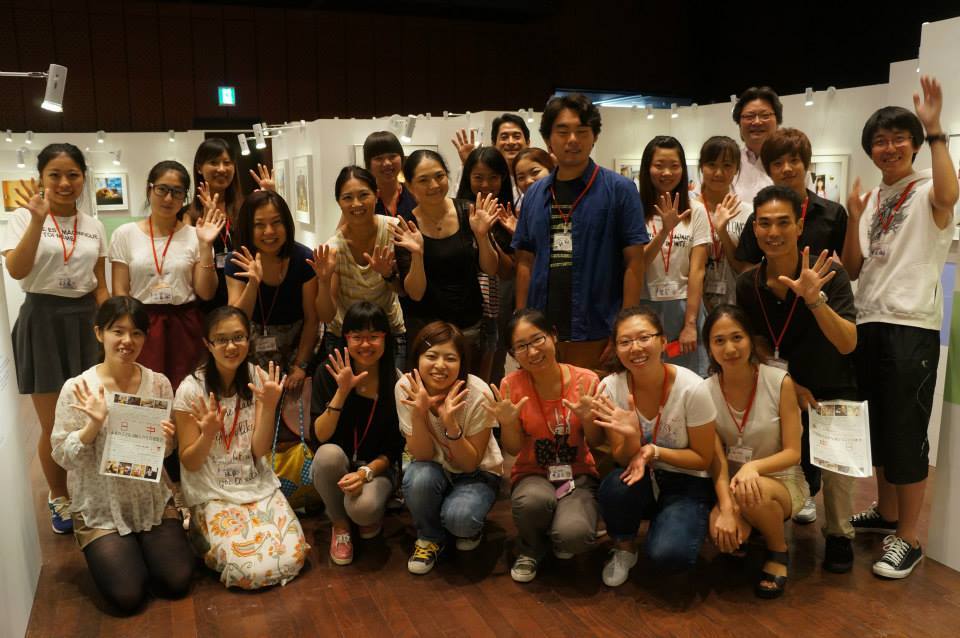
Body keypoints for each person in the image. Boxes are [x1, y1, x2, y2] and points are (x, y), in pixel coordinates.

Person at [842, 76, 958, 579]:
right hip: (867, 321)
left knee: (907, 432)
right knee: (878, 428)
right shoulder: (873, 198)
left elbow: (950, 195)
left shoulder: (930, 186)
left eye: (898, 139)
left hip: (910, 326)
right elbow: (852, 267)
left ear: (914, 143)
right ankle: (886, 513)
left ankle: (908, 537)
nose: (888, 148)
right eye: (879, 141)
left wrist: (935, 129)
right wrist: (853, 216)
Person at [735, 185, 860, 574]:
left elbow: (847, 343)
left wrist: (813, 299)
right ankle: (769, 513)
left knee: (837, 461)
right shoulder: (748, 284)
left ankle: (839, 534)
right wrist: (787, 384)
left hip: (830, 384)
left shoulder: (828, 273)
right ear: (754, 228)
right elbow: (755, 343)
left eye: (783, 223)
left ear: (800, 226)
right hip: (781, 387)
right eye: (764, 223)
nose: (773, 232)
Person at [51, 296, 193, 613]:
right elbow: (62, 455)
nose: (127, 340)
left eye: (136, 333)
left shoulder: (158, 384)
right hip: (101, 505)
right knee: (127, 596)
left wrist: (167, 441)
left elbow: (164, 451)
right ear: (99, 333)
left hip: (148, 500)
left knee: (177, 581)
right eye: (118, 331)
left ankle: (141, 547)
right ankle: (121, 547)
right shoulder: (78, 388)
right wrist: (92, 427)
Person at [2, 143, 109, 533]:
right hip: (42, 319)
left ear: (83, 178)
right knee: (53, 424)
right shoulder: (22, 217)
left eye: (73, 175)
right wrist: (37, 221)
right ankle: (59, 496)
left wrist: (113, 326)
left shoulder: (94, 225)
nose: (65, 183)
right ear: (41, 178)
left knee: (93, 414)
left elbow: (99, 285)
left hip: (86, 321)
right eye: (55, 175)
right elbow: (17, 270)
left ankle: (93, 489)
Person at [173, 306, 308, 588]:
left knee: (294, 556)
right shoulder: (190, 389)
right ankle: (198, 530)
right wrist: (208, 434)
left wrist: (269, 407)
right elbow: (189, 462)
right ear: (207, 344)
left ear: (249, 339)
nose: (231, 346)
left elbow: (259, 450)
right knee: (248, 571)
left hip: (255, 485)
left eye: (238, 337)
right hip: (212, 491)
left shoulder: (257, 377)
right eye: (221, 340)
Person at [513, 93, 647, 371]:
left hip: (598, 330)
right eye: (563, 132)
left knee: (593, 397)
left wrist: (626, 328)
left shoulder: (620, 190)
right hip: (541, 333)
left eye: (582, 131)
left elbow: (635, 261)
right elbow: (525, 261)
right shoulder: (535, 194)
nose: (572, 139)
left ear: (594, 137)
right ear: (548, 139)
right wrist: (521, 324)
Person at [592, 306, 717, 587]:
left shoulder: (693, 388)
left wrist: (654, 451)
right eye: (625, 341)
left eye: (644, 338)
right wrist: (632, 437)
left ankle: (682, 521)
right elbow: (622, 458)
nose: (635, 348)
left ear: (663, 341)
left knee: (669, 555)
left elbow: (703, 458)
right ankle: (624, 548)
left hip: (686, 480)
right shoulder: (610, 388)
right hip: (640, 476)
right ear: (616, 349)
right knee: (615, 487)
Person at [485, 308, 602, 583]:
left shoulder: (586, 381)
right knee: (532, 503)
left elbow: (597, 441)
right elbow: (513, 449)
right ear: (513, 354)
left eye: (538, 339)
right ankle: (530, 548)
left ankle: (559, 532)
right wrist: (508, 423)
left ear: (553, 336)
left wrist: (588, 419)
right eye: (521, 346)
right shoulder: (511, 385)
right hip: (533, 473)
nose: (533, 351)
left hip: (578, 476)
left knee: (574, 536)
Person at [702, 304, 806, 598]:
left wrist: (753, 467)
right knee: (721, 533)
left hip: (782, 480)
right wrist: (726, 507)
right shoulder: (705, 391)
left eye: (737, 337)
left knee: (754, 491)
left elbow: (793, 453)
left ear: (750, 339)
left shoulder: (779, 382)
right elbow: (717, 461)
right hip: (733, 485)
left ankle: (778, 551)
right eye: (719, 340)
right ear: (709, 348)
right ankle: (750, 525)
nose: (730, 348)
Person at [396, 321, 503, 574]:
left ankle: (462, 524)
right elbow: (422, 455)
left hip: (476, 474)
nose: (440, 365)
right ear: (417, 358)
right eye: (431, 356)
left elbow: (470, 464)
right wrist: (419, 414)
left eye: (450, 358)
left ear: (462, 363)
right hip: (433, 467)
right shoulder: (406, 388)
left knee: (461, 520)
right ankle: (430, 537)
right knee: (417, 477)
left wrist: (451, 425)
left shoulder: (478, 393)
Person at [110, 160, 223, 390]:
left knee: (186, 392)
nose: (169, 198)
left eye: (177, 192)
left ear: (184, 197)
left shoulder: (196, 235)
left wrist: (205, 247)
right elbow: (120, 291)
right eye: (162, 189)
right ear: (149, 189)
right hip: (142, 323)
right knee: (144, 391)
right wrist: (128, 330)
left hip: (185, 324)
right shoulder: (125, 234)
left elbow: (206, 292)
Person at [311, 302, 405, 565]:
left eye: (374, 336)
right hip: (338, 466)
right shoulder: (328, 373)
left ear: (386, 338)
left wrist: (365, 473)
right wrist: (342, 391)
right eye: (357, 337)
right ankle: (340, 525)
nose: (365, 344)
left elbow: (393, 450)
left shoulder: (396, 381)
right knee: (327, 455)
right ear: (346, 338)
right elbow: (320, 436)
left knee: (363, 511)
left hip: (377, 468)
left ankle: (361, 514)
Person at [391, 150, 499, 374]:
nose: (434, 185)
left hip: (470, 325)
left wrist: (482, 236)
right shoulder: (406, 225)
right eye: (423, 180)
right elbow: (415, 293)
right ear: (409, 186)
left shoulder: (468, 211)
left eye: (439, 176)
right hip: (428, 332)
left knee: (471, 389)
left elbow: (490, 268)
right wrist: (417, 254)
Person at [226, 190, 318, 398]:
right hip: (250, 350)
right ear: (248, 228)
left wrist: (300, 365)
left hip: (296, 347)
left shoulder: (304, 259)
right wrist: (252, 283)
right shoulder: (237, 260)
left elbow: (312, 320)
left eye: (276, 222)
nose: (269, 231)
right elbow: (235, 321)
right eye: (259, 225)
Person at [313, 166, 406, 371]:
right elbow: (327, 316)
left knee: (393, 390)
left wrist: (388, 275)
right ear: (339, 202)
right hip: (346, 338)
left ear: (376, 195)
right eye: (347, 198)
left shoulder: (394, 231)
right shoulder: (334, 248)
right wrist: (324, 281)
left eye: (364, 195)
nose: (356, 204)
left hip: (388, 332)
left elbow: (404, 292)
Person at [639, 136, 710, 376]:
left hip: (684, 306)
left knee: (688, 378)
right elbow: (636, 265)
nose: (667, 173)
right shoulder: (635, 208)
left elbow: (697, 270)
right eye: (659, 165)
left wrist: (690, 323)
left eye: (674, 166)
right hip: (645, 304)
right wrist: (664, 232)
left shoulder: (696, 210)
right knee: (648, 375)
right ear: (647, 167)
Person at [735, 128, 848, 269]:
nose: (787, 169)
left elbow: (850, 269)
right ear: (769, 171)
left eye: (794, 161)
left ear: (806, 165)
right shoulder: (760, 217)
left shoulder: (833, 213)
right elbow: (746, 266)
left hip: (819, 283)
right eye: (778, 163)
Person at [456, 146, 516, 382]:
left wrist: (487, 235)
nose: (486, 184)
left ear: (503, 178)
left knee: (490, 378)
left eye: (493, 177)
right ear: (468, 177)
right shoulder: (456, 212)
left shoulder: (508, 214)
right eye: (478, 177)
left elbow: (508, 271)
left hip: (494, 309)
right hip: (461, 309)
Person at [183, 138, 245, 313]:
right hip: (203, 302)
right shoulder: (187, 216)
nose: (222, 169)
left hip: (243, 296)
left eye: (227, 163)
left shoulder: (245, 208)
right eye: (214, 162)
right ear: (199, 168)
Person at [696, 136, 753, 309]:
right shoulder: (689, 211)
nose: (718, 173)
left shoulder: (748, 213)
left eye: (727, 165)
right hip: (696, 306)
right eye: (712, 164)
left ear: (736, 169)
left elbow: (745, 268)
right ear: (701, 166)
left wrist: (723, 233)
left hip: (738, 305)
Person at [731, 86, 780, 202]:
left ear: (777, 122)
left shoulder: (791, 164)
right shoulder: (729, 163)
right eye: (749, 116)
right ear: (739, 124)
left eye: (765, 116)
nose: (757, 122)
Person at [363, 131, 417, 218]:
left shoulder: (415, 194)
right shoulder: (362, 197)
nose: (387, 163)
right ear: (368, 164)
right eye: (379, 158)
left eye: (392, 156)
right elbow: (345, 226)